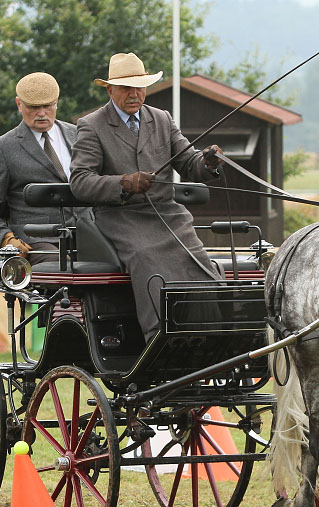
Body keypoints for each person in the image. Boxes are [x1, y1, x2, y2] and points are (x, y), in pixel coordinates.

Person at [70, 52, 224, 340]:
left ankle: (209, 334)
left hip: (168, 216)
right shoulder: (92, 125)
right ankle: (159, 336)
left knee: (201, 264)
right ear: (110, 89)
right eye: (126, 87)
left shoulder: (162, 119)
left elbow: (189, 163)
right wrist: (124, 183)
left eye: (140, 86)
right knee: (148, 259)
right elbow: (80, 182)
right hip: (120, 218)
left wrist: (208, 163)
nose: (134, 94)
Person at [0, 72, 92, 264]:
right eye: (34, 107)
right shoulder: (2, 148)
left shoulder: (79, 134)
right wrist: (5, 238)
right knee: (62, 270)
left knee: (118, 268)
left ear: (57, 103)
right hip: (36, 241)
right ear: (19, 104)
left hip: (88, 234)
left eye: (48, 105)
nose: (42, 113)